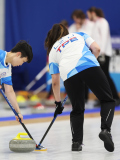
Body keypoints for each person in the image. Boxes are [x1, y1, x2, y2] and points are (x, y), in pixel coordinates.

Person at [45, 23, 115, 152]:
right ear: (66, 32)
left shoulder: (53, 50)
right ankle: (105, 130)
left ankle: (76, 143)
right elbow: (97, 49)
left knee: (77, 109)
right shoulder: (78, 34)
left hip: (69, 74)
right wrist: (88, 67)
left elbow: (55, 81)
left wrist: (58, 103)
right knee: (107, 100)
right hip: (88, 65)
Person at [87, 7, 120, 106]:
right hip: (97, 54)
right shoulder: (95, 24)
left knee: (105, 77)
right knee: (99, 78)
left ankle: (115, 97)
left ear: (93, 13)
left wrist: (102, 54)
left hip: (103, 55)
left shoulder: (103, 22)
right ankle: (104, 98)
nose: (88, 16)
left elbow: (104, 38)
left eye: (88, 14)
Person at [69, 10, 95, 103]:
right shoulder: (72, 27)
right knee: (77, 77)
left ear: (80, 17)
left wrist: (79, 29)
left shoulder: (90, 25)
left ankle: (86, 98)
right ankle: (79, 97)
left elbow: (89, 37)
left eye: (77, 18)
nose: (76, 21)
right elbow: (69, 37)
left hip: (87, 54)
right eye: (74, 19)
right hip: (76, 55)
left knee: (87, 77)